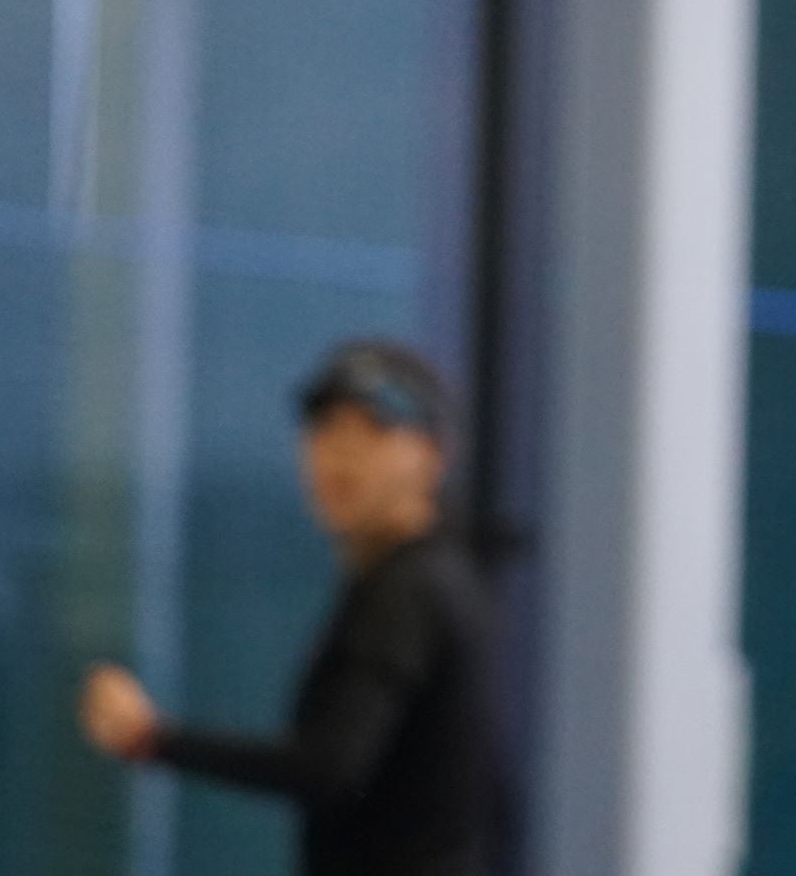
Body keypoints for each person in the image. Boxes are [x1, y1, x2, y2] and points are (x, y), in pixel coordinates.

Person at [79, 339, 491, 876]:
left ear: (433, 454)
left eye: (373, 429)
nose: (342, 454)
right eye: (325, 430)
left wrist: (152, 738)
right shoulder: (427, 579)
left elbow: (329, 766)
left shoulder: (407, 590)